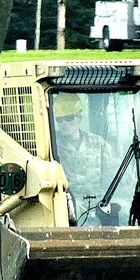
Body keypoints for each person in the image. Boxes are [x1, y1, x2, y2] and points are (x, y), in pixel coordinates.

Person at [53, 93, 117, 225]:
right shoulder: (51, 147)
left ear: (79, 118)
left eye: (69, 118)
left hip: (101, 204)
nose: (64, 123)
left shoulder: (98, 143)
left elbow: (117, 172)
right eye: (59, 119)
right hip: (67, 206)